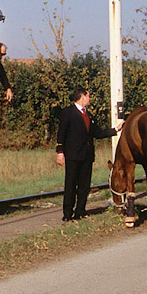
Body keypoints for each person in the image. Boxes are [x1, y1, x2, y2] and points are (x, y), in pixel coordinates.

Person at [56, 88, 121, 221]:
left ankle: (80, 211)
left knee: (84, 185)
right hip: (73, 155)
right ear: (82, 97)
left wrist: (115, 130)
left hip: (87, 155)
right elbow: (61, 133)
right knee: (70, 184)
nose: (90, 99)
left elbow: (97, 133)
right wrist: (60, 152)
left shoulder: (89, 115)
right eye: (88, 96)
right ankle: (67, 214)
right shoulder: (68, 112)